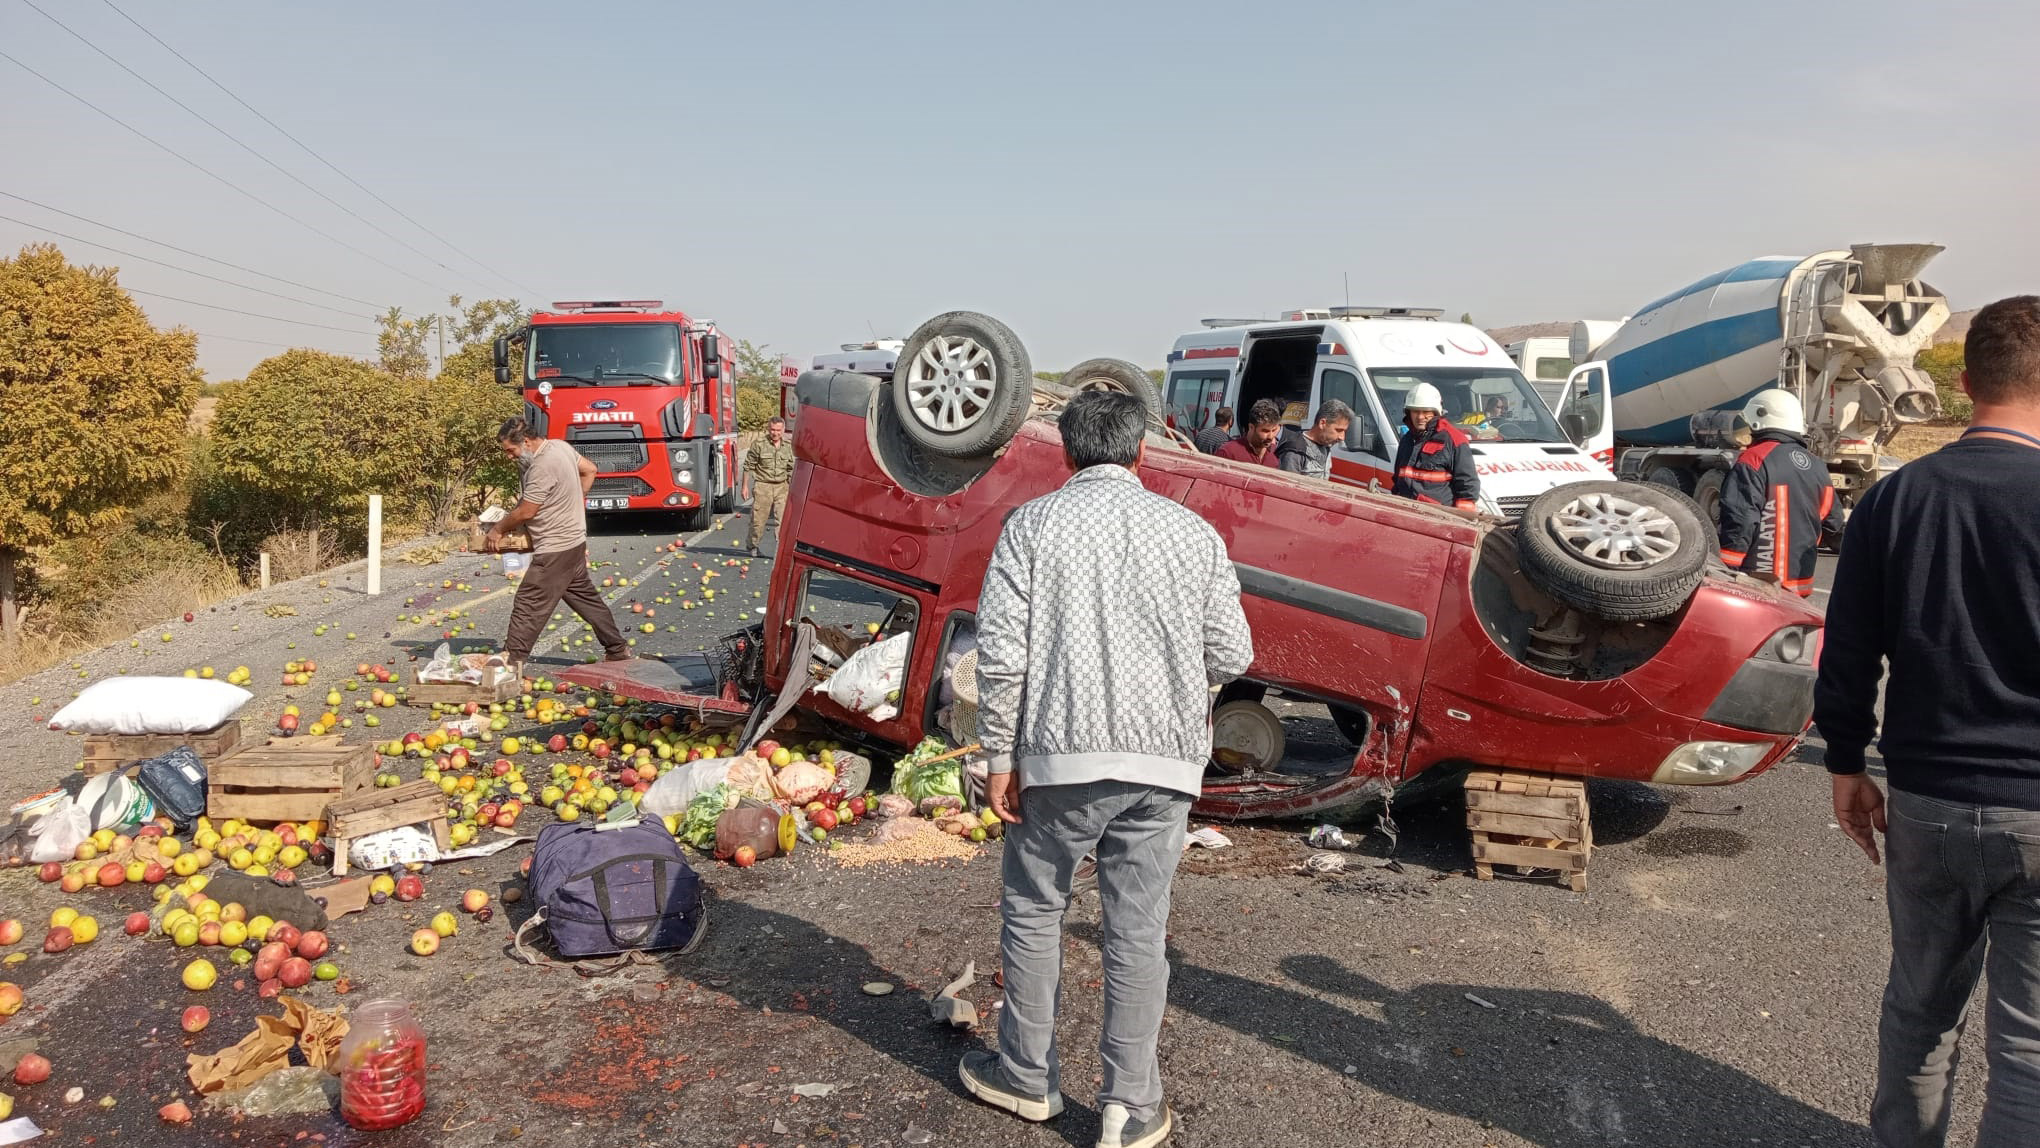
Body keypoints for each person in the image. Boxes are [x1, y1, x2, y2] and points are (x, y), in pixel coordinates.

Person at [962, 390, 1252, 1148]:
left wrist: (1000, 756)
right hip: (1165, 766)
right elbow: (1232, 653)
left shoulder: (1031, 526)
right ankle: (1130, 1106)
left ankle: (1027, 1078)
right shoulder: (1193, 533)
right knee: (1137, 932)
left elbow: (1002, 657)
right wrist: (1176, 683)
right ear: (1142, 451)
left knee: (1034, 911)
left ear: (1066, 451)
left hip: (1058, 756)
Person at [1814, 295, 2040, 1148]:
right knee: (2028, 1047)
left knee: (1919, 1010)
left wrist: (1844, 761)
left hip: (1928, 801)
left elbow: (1848, 649)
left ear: (1967, 383)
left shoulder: (1896, 498)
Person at [486, 418, 632, 676]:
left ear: (526, 441)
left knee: (529, 601)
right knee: (585, 599)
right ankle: (617, 649)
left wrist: (498, 529)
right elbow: (590, 470)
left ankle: (511, 663)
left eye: (511, 450)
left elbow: (527, 511)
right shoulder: (560, 447)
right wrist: (573, 501)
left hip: (555, 547)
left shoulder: (542, 465)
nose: (509, 456)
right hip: (574, 540)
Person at [1716, 389, 1843, 597]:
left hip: (1758, 585)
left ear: (1759, 420)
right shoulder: (1817, 466)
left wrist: (1725, 570)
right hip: (1799, 589)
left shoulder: (1754, 459)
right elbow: (1834, 525)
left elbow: (1740, 520)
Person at [1391, 383, 1478, 508]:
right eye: (1415, 411)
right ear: (1408, 412)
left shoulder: (1454, 439)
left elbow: (1467, 486)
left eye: (1426, 411)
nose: (1420, 417)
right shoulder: (1407, 440)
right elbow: (1398, 480)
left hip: (1438, 515)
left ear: (1436, 412)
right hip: (1407, 511)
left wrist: (1462, 517)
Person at [742, 417, 795, 557]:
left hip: (782, 487)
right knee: (758, 520)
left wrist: (792, 489)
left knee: (782, 521)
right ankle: (752, 545)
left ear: (783, 430)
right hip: (763, 486)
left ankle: (780, 549)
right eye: (772, 429)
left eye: (778, 430)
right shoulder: (759, 444)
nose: (775, 433)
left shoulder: (788, 446)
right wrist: (744, 486)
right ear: (768, 429)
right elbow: (748, 466)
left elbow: (791, 468)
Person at [1275, 399, 1353, 479]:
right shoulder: (1295, 451)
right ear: (1322, 423)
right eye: (1338, 430)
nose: (1342, 437)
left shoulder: (1326, 445)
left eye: (1344, 431)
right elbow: (1288, 484)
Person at [1214, 398, 1283, 467]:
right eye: (1265, 431)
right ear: (1251, 427)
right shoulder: (1228, 453)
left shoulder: (1274, 460)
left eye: (1274, 430)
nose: (1271, 436)